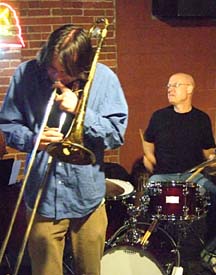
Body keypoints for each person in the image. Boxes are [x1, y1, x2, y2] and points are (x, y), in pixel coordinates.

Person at [0, 24, 128, 275]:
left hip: (87, 197)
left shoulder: (104, 78)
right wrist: (34, 139)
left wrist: (81, 110)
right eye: (51, 69)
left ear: (82, 68)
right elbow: (9, 124)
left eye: (65, 73)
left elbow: (115, 135)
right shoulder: (25, 74)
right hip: (43, 198)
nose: (56, 78)